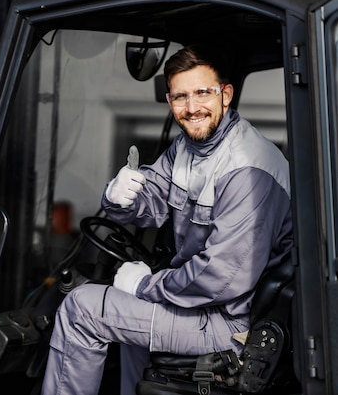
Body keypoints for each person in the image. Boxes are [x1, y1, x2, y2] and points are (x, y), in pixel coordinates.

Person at [40, 45, 293, 395]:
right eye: (180, 97)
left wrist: (146, 286)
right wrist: (119, 198)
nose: (191, 108)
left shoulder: (248, 168)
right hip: (198, 307)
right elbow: (153, 201)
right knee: (127, 318)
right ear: (170, 100)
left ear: (226, 95)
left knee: (80, 309)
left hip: (233, 323)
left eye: (203, 93)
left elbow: (221, 278)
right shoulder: (187, 148)